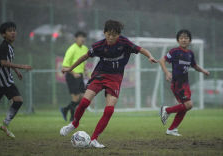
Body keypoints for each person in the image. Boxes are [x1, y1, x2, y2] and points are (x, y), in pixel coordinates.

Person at [60, 20, 157, 148]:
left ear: (118, 35)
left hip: (115, 78)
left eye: (114, 34)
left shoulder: (124, 42)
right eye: (108, 34)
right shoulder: (99, 45)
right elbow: (84, 57)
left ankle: (94, 139)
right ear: (104, 33)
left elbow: (141, 49)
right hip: (100, 74)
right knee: (84, 102)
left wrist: (149, 56)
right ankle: (74, 124)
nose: (111, 37)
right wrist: (70, 68)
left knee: (109, 109)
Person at [0, 22, 32, 139]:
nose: (13, 32)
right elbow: (3, 63)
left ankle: (5, 125)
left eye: (14, 30)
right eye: (10, 31)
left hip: (8, 82)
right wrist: (22, 67)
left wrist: (16, 71)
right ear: (3, 34)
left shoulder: (10, 46)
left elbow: (8, 61)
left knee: (18, 101)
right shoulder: (4, 46)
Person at [159, 29, 210, 136]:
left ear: (190, 40)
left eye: (186, 38)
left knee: (185, 107)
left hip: (185, 84)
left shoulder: (190, 54)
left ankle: (172, 129)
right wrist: (167, 72)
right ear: (178, 40)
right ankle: (167, 110)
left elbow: (195, 66)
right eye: (181, 38)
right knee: (189, 105)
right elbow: (162, 60)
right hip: (177, 83)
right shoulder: (175, 51)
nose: (184, 40)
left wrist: (203, 70)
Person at [60, 31, 88, 122]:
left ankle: (65, 109)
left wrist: (85, 70)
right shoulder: (71, 49)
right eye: (80, 37)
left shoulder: (85, 48)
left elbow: (83, 62)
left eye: (83, 37)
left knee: (83, 97)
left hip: (80, 76)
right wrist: (73, 73)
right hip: (72, 76)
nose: (82, 39)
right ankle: (72, 118)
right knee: (75, 97)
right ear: (75, 38)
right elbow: (65, 65)